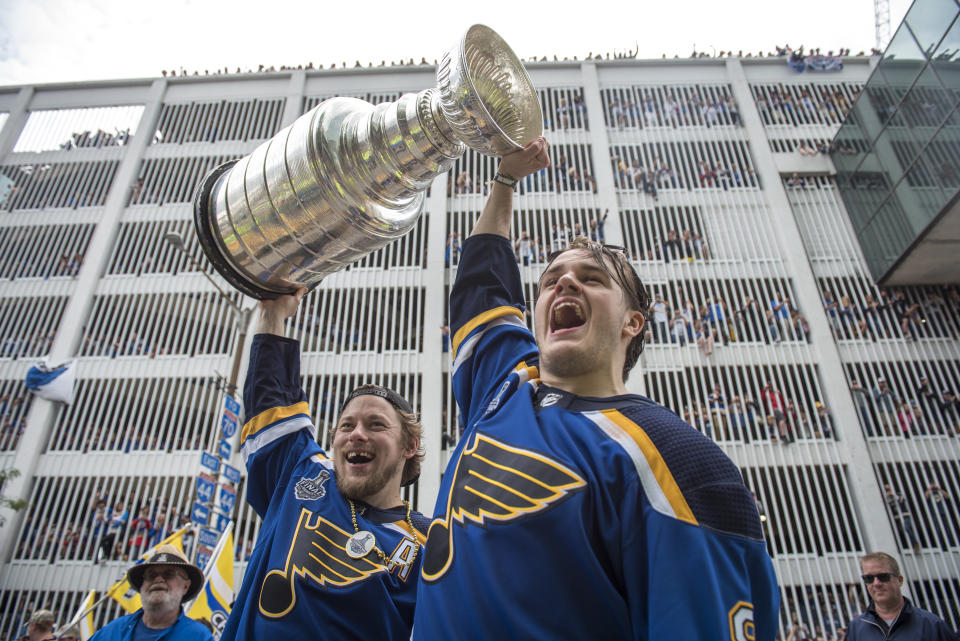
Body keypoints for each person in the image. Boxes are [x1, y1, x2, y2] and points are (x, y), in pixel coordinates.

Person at [413, 137, 779, 639]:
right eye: (550, 280)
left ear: (633, 322)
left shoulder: (676, 460)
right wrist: (505, 181)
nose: (564, 284)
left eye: (592, 278)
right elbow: (483, 286)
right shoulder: (505, 383)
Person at [221, 289, 429, 640]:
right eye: (346, 426)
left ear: (409, 445)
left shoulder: (431, 543)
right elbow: (268, 399)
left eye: (376, 425)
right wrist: (273, 312)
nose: (356, 434)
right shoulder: (304, 472)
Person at [89, 545, 212, 640]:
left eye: (169, 574)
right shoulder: (112, 632)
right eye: (151, 575)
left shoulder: (199, 637)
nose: (158, 579)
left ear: (185, 586)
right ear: (142, 585)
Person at [845, 552, 957, 639]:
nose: (876, 583)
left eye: (883, 577)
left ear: (899, 580)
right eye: (869, 578)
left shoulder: (931, 625)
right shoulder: (856, 628)